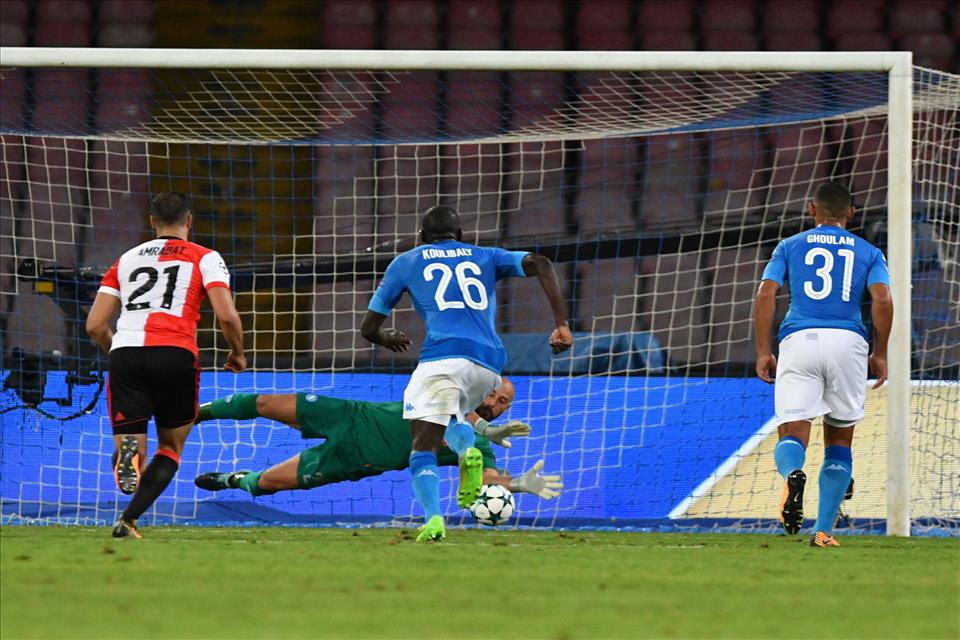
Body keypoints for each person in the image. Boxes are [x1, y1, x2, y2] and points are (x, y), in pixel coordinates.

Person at [360, 205, 573, 542]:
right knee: (455, 417)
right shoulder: (486, 255)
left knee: (422, 446)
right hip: (489, 366)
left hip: (442, 358)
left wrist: (386, 338)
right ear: (460, 235)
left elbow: (368, 328)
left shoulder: (407, 261)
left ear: (421, 237)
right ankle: (467, 449)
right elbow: (541, 263)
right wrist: (561, 324)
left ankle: (434, 520)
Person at [85, 192, 246, 539]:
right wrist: (238, 352)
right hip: (175, 353)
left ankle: (129, 457)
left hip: (127, 353)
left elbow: (95, 325)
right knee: (170, 448)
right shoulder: (206, 257)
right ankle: (127, 521)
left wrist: (121, 353)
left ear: (152, 222)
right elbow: (226, 315)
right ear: (189, 221)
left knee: (132, 444)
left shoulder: (125, 260)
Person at [754, 181, 892, 548]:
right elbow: (882, 299)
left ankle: (793, 473)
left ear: (811, 210)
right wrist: (880, 352)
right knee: (839, 440)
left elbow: (767, 292)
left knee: (793, 433)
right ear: (851, 213)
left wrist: (763, 350)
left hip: (799, 341)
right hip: (848, 343)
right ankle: (824, 532)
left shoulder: (789, 246)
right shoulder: (870, 252)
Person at [192, 378, 563, 502]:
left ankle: (233, 480)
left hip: (357, 460)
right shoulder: (449, 390)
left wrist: (516, 484)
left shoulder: (479, 446)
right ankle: (194, 413)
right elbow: (459, 412)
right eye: (494, 395)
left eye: (504, 404)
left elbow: (483, 480)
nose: (496, 406)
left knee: (268, 483)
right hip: (353, 414)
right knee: (264, 403)